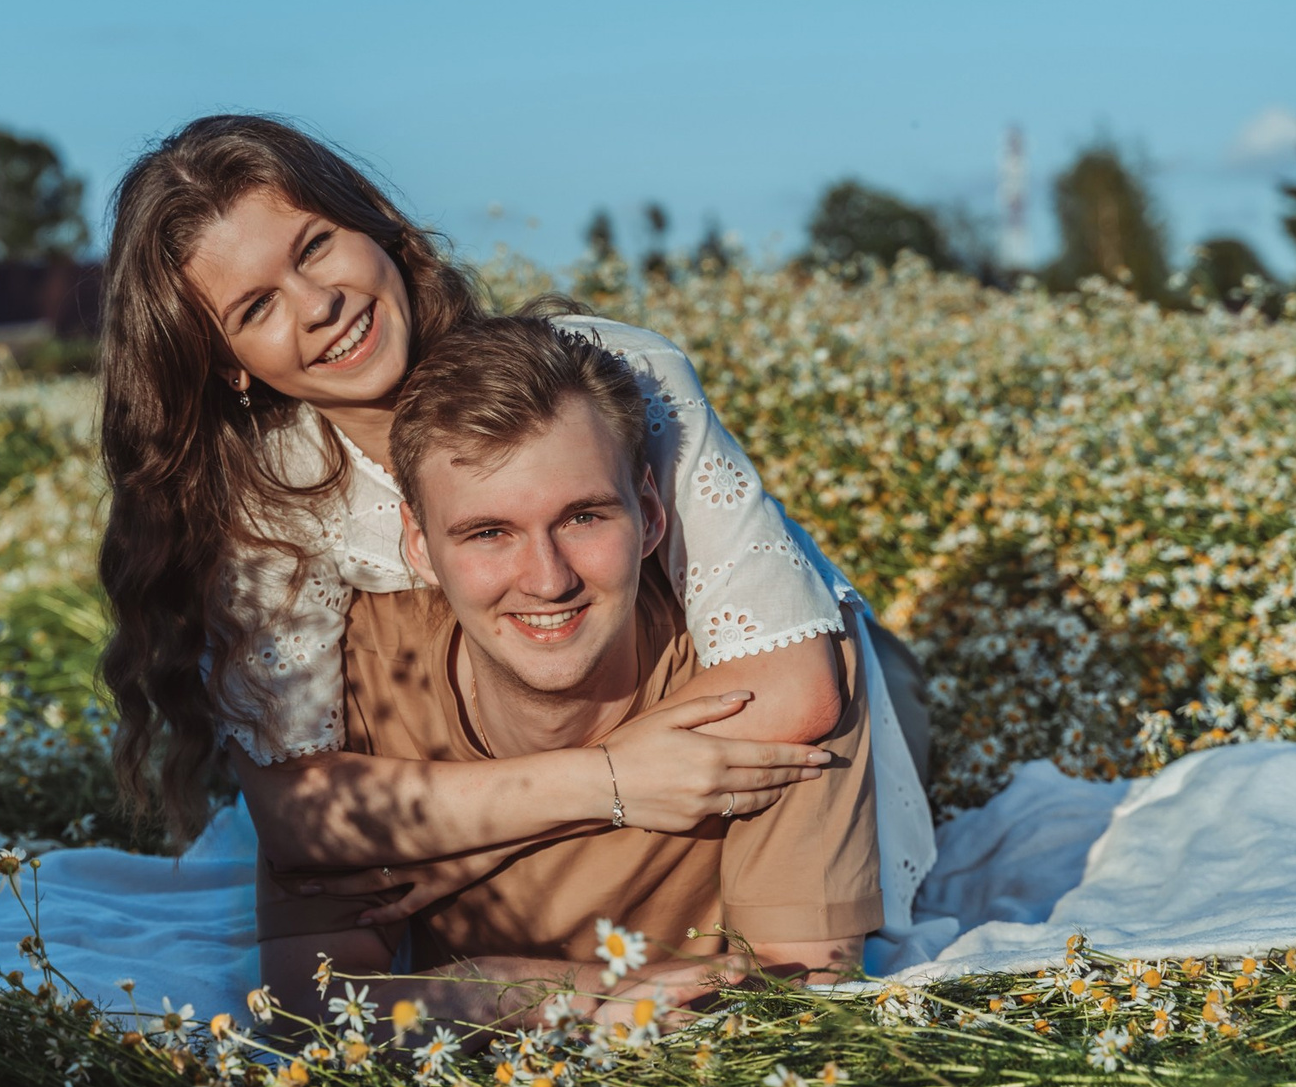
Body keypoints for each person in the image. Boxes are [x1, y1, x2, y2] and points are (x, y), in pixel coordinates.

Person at [95, 116, 933, 947]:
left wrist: (480, 847)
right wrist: (605, 782)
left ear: (375, 223)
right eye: (258, 305)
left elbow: (799, 686)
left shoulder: (617, 374)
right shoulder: (271, 502)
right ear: (228, 361)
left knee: (862, 673)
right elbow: (298, 811)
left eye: (315, 246)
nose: (319, 305)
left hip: (801, 682)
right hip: (560, 734)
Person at [252, 316, 880, 1028]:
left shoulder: (774, 663)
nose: (547, 580)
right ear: (419, 548)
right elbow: (307, 1011)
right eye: (488, 533)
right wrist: (514, 988)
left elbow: (796, 999)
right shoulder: (355, 684)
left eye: (584, 517)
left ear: (649, 513)